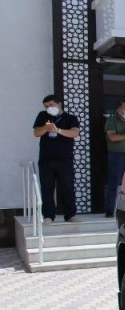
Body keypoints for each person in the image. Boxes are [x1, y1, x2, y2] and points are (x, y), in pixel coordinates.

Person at [31, 94, 81, 223]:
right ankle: (48, 215)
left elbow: (74, 133)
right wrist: (46, 128)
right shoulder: (43, 116)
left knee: (67, 187)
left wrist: (58, 130)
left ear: (59, 104)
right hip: (46, 159)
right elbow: (36, 133)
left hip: (64, 159)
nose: (49, 108)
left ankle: (70, 215)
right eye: (46, 106)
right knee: (47, 187)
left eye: (51, 105)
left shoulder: (70, 118)